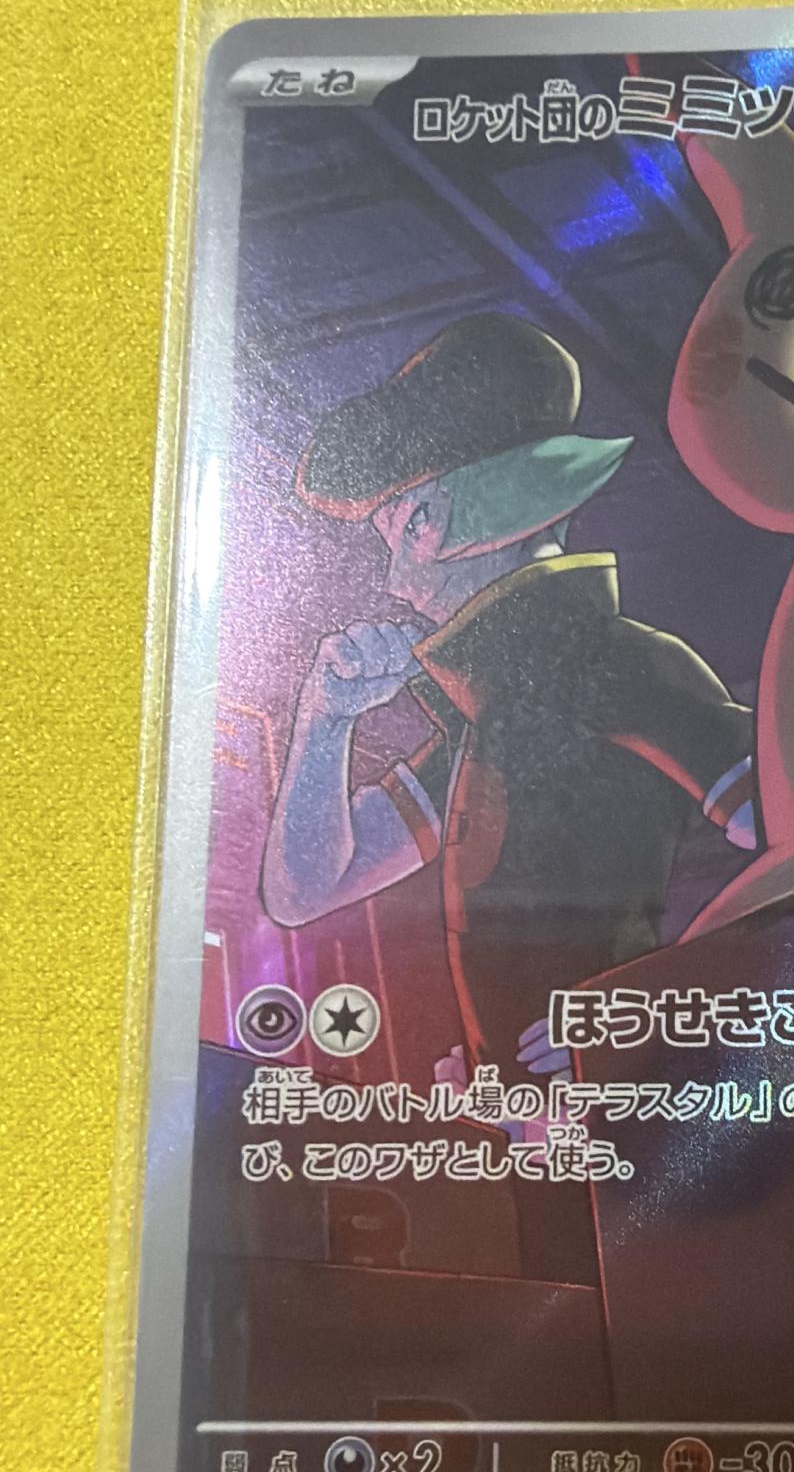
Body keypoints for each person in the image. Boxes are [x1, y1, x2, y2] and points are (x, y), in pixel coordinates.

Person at [262, 312, 754, 1141]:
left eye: (398, 523)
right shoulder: (486, 724)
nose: (393, 572)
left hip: (654, 1141)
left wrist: (653, 1014)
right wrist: (325, 721)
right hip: (544, 1150)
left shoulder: (618, 665)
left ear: (446, 519)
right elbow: (304, 891)